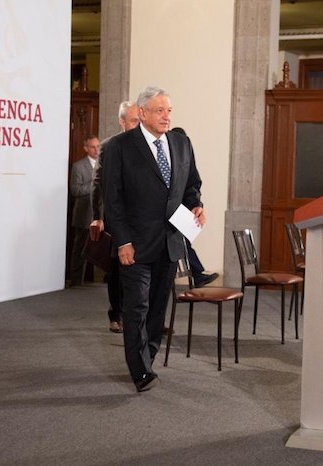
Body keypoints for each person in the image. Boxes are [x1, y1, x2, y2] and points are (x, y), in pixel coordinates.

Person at [102, 86, 205, 392]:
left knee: (158, 307)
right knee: (136, 307)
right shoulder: (120, 147)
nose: (166, 116)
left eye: (169, 110)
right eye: (160, 110)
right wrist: (122, 241)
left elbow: (191, 184)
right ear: (143, 113)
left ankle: (146, 359)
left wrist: (197, 203)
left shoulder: (181, 143)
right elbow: (113, 200)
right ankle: (140, 371)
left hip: (170, 242)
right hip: (134, 244)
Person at [89, 101, 140, 333]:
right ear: (122, 121)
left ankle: (142, 317)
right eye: (132, 121)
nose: (137, 125)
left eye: (139, 120)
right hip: (115, 217)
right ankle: (116, 315)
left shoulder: (148, 144)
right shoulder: (109, 146)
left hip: (141, 218)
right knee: (117, 269)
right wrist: (97, 217)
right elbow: (98, 183)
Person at [170, 127, 218, 288]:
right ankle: (197, 275)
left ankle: (197, 274)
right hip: (172, 211)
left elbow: (192, 183)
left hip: (183, 209)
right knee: (182, 242)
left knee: (184, 242)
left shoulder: (185, 156)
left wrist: (197, 204)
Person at [68, 135, 100, 287]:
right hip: (84, 216)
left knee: (100, 251)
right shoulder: (78, 166)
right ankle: (75, 282)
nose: (96, 150)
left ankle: (95, 282)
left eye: (98, 146)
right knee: (80, 250)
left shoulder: (105, 165)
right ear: (86, 148)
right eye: (93, 147)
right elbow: (75, 190)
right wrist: (95, 185)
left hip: (101, 216)